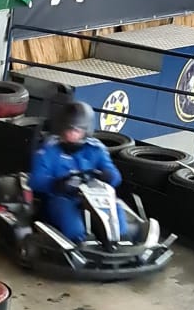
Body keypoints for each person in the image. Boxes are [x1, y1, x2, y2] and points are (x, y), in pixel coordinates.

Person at [27, 98, 124, 243]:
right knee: (74, 228)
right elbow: (35, 180)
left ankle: (118, 241)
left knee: (118, 216)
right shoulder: (48, 149)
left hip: (94, 198)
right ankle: (78, 243)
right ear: (62, 128)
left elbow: (115, 176)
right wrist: (58, 184)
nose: (73, 134)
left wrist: (108, 176)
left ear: (85, 130)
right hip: (60, 198)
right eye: (69, 130)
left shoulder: (96, 148)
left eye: (77, 130)